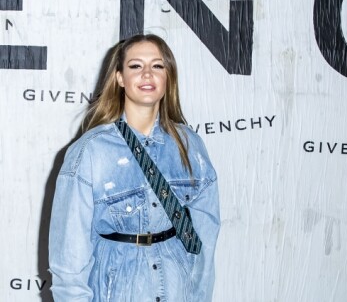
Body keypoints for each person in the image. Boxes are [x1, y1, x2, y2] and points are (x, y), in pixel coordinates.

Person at [49, 34, 220, 301]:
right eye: (136, 66)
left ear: (168, 77)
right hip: (115, 289)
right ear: (119, 78)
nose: (147, 74)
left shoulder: (191, 146)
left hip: (176, 288)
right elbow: (69, 258)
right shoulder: (90, 151)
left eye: (157, 66)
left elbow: (204, 242)